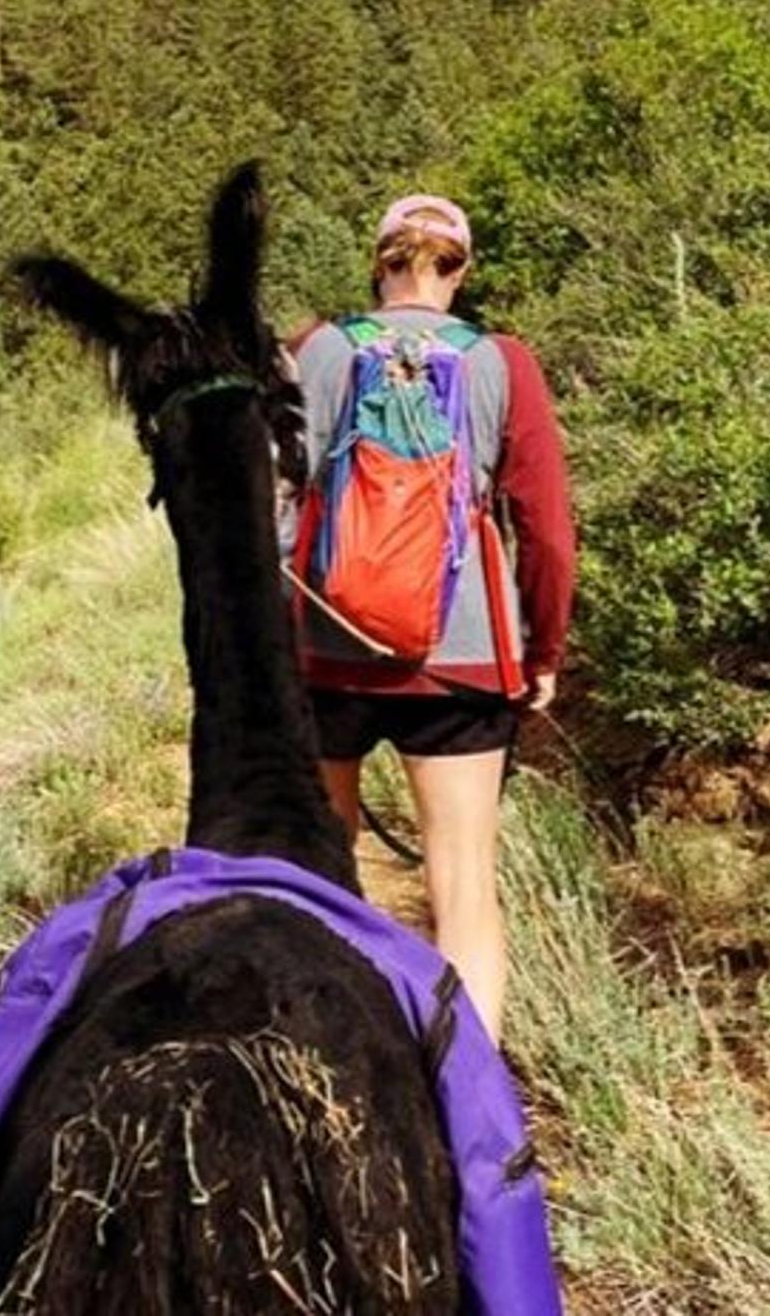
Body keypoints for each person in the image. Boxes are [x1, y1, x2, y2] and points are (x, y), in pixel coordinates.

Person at [282, 194, 576, 1046]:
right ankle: (467, 1091)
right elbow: (548, 530)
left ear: (377, 263)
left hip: (326, 648)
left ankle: (330, 1058)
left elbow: (273, 498)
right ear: (460, 269)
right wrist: (542, 646)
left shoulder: (321, 350)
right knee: (464, 888)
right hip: (462, 658)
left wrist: (278, 639)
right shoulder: (501, 361)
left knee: (322, 878)